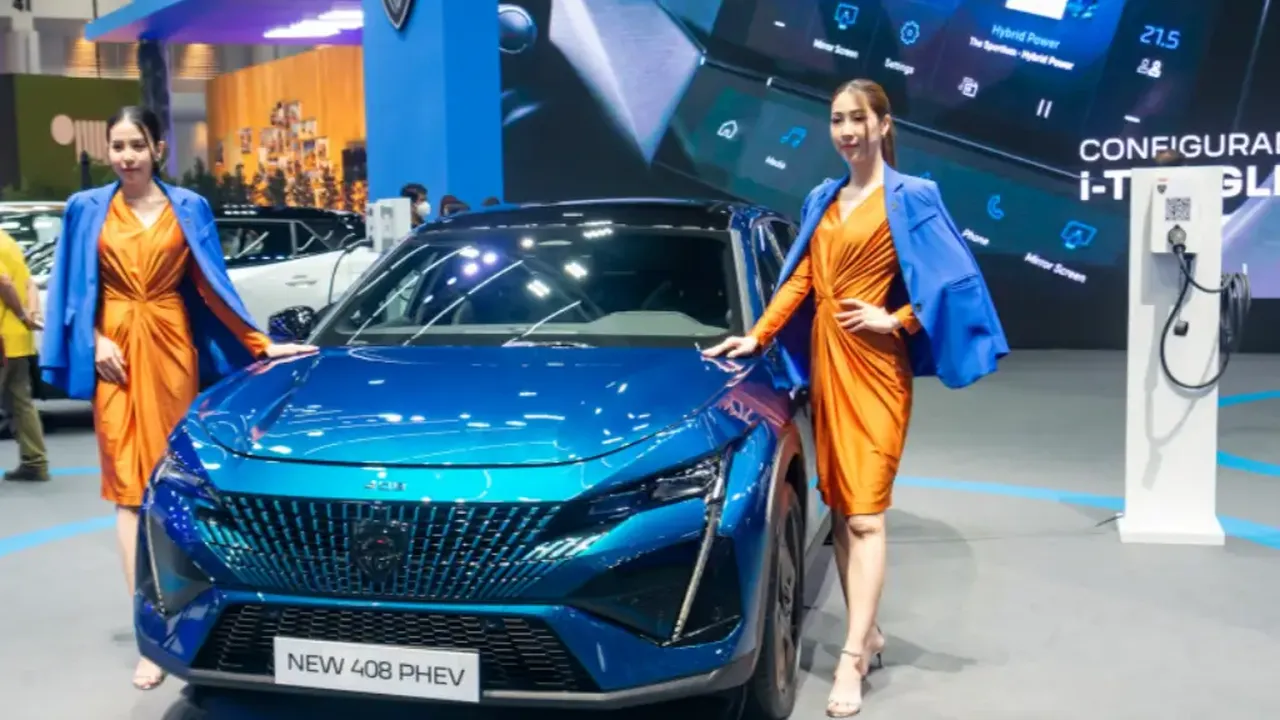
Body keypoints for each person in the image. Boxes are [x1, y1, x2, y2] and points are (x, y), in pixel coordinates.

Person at [702, 79, 1007, 717]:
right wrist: (754, 336)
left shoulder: (914, 195)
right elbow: (804, 278)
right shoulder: (823, 196)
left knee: (867, 513)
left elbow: (956, 281)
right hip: (827, 366)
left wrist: (898, 319)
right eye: (837, 119)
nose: (845, 130)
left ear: (882, 123)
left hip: (876, 368)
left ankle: (850, 658)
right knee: (842, 510)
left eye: (856, 119)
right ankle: (865, 632)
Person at [39, 106, 315, 692]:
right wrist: (92, 341)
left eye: (136, 144)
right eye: (117, 146)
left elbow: (214, 286)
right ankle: (153, 628)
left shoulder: (189, 207)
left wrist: (264, 343)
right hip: (114, 353)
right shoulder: (85, 208)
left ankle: (181, 616)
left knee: (171, 486)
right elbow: (69, 286)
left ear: (158, 148)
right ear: (107, 151)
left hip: (171, 349)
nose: (126, 156)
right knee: (127, 492)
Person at [0, 226, 49, 483]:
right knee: (21, 402)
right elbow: (28, 282)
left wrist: (20, 313)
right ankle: (35, 461)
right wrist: (31, 315)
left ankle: (34, 462)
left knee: (19, 402)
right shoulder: (8, 240)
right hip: (18, 337)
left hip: (2, 336)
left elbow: (3, 282)